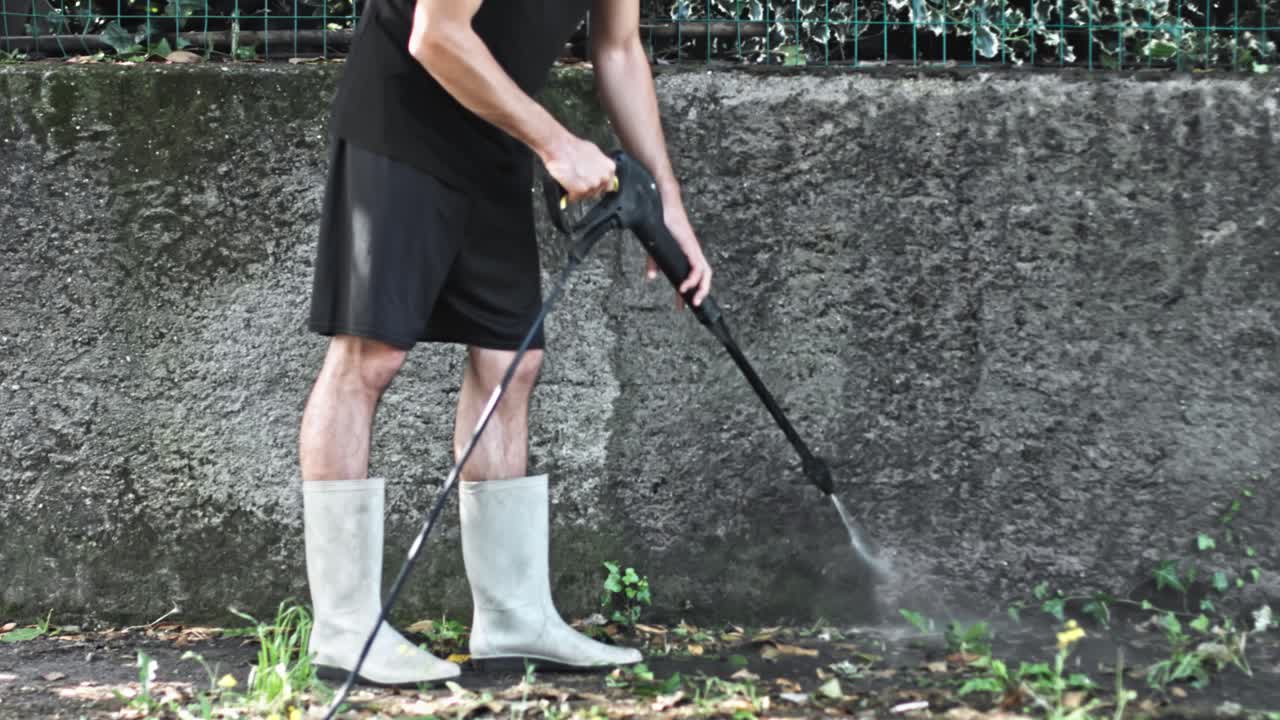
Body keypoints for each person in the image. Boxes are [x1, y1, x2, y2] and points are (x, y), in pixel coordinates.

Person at [296, 0, 714, 686]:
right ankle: (345, 631)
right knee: (370, 356)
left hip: (493, 131)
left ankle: (514, 619)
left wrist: (666, 200)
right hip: (403, 118)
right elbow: (437, 35)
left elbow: (619, 48)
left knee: (510, 362)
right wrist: (556, 143)